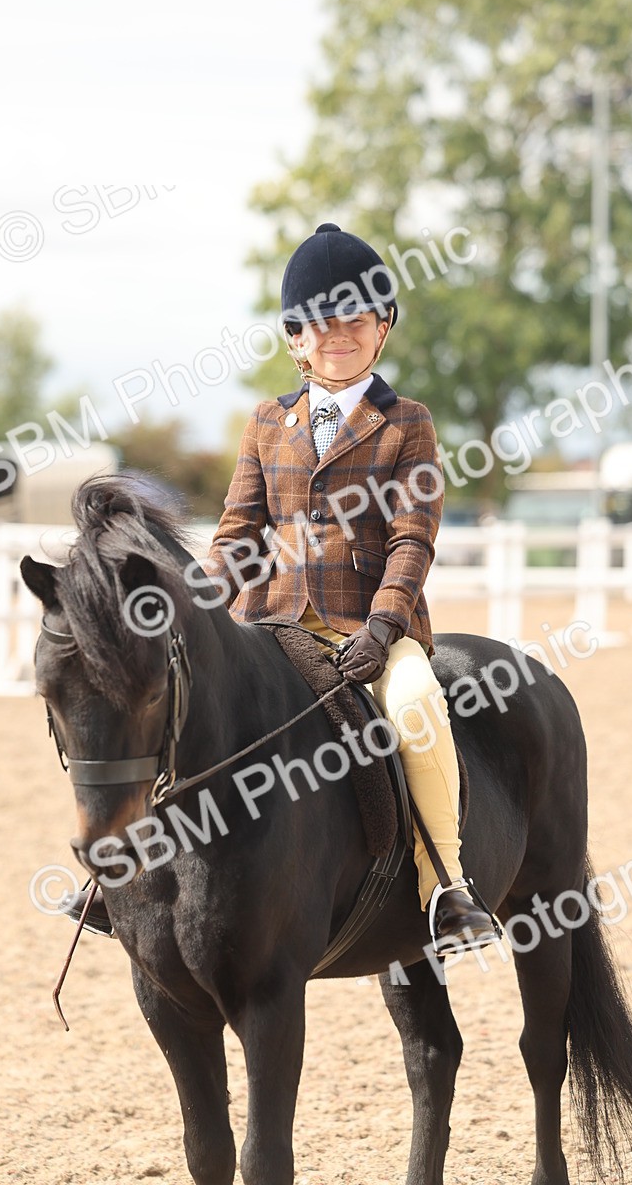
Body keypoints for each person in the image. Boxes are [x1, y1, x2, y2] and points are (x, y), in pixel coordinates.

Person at [204, 223, 498, 950]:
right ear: (294, 339)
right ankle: (127, 872)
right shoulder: (267, 423)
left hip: (367, 631)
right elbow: (238, 532)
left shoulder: (408, 425)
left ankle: (447, 889)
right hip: (270, 622)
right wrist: (196, 602)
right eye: (320, 324)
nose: (338, 334)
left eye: (355, 320)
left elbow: (412, 537)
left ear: (383, 329)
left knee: (418, 707)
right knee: (181, 696)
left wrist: (384, 626)